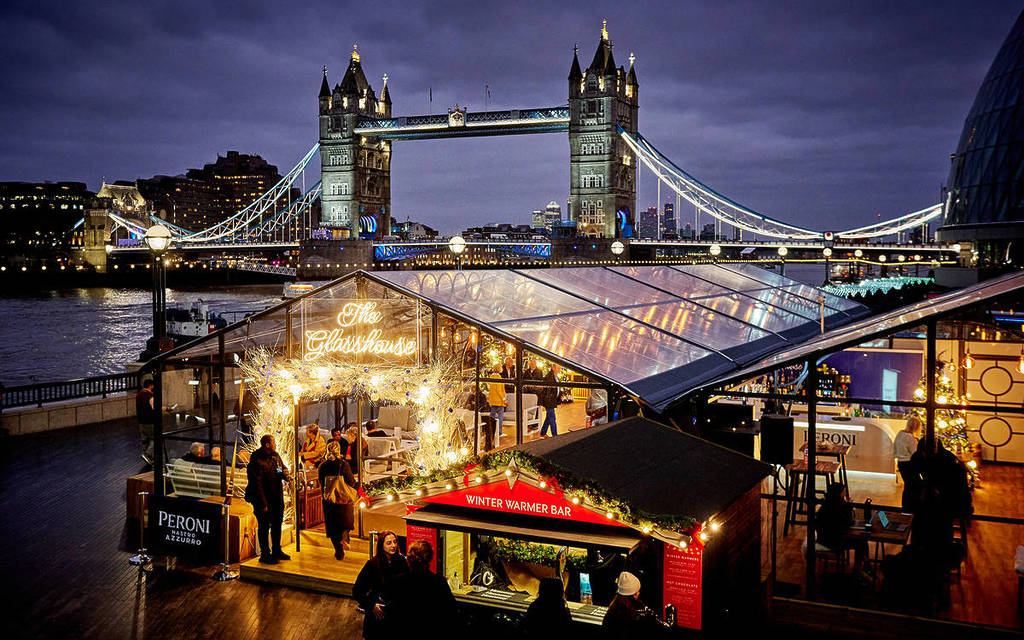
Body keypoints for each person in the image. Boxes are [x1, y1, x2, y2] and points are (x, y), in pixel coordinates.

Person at [390, 541, 458, 634]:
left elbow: (394, 611)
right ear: (430, 558)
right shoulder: (438, 582)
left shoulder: (399, 581)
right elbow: (451, 611)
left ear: (409, 559)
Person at [353, 530, 410, 639]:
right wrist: (371, 606)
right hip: (378, 616)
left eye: (395, 542)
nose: (393, 545)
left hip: (397, 616)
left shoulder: (402, 562)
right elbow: (357, 591)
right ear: (381, 545)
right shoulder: (372, 564)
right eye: (389, 543)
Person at [244, 435, 292, 564]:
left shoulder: (275, 455)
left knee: (277, 524)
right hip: (263, 499)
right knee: (264, 526)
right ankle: (265, 554)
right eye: (274, 442)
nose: (276, 444)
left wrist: (286, 475)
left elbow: (282, 468)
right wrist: (262, 503)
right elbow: (256, 483)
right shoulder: (256, 459)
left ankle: (277, 550)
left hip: (276, 497)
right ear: (267, 444)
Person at [814, 483, 867, 574]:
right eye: (844, 492)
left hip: (822, 538)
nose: (845, 494)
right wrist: (849, 507)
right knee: (861, 541)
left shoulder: (826, 504)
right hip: (832, 542)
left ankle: (863, 565)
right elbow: (848, 521)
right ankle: (859, 569)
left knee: (860, 540)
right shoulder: (838, 506)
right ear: (839, 494)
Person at [319, 441, 356, 560]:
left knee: (332, 526)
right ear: (338, 450)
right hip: (343, 498)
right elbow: (351, 481)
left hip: (329, 500)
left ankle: (338, 552)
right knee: (346, 523)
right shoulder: (343, 464)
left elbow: (321, 482)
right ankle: (345, 539)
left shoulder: (323, 466)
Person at [602, 571, 663, 637]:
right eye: (637, 591)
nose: (639, 593)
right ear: (633, 595)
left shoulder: (612, 610)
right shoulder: (636, 617)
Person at [895, 415, 922, 509]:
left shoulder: (900, 434)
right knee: (914, 486)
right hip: (909, 464)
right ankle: (911, 506)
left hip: (901, 463)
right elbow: (915, 454)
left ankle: (906, 507)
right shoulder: (910, 438)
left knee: (908, 486)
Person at [135, 380, 157, 465]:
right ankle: (148, 454)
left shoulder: (139, 394)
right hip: (150, 420)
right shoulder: (150, 395)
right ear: (151, 386)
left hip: (141, 421)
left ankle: (145, 454)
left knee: (145, 439)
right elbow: (154, 408)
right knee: (154, 438)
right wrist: (166, 409)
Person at [539, 364, 562, 438]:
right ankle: (555, 436)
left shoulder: (555, 376)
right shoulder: (549, 376)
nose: (559, 370)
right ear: (553, 368)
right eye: (558, 368)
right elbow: (547, 390)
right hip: (549, 401)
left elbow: (557, 388)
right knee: (552, 418)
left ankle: (543, 433)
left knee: (549, 417)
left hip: (552, 400)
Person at [488, 363, 508, 443]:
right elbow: (499, 390)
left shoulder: (491, 377)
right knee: (500, 417)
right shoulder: (498, 378)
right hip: (499, 401)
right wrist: (504, 399)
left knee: (492, 417)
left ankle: (490, 431)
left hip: (493, 400)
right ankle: (499, 432)